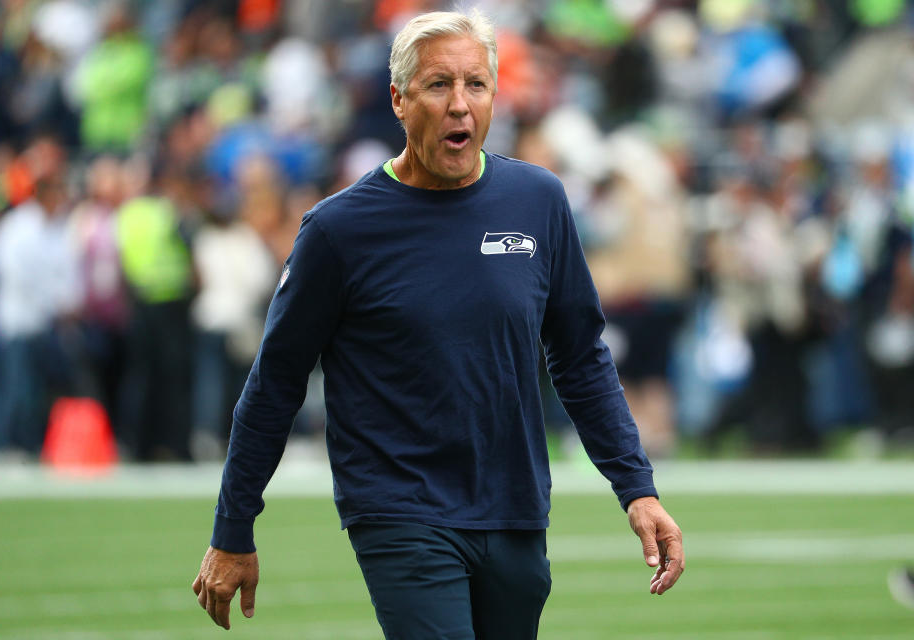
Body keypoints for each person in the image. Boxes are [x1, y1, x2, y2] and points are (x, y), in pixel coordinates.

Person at [192, 10, 684, 638]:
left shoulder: (538, 201)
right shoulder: (339, 231)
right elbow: (275, 385)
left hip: (514, 509)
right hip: (399, 510)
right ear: (398, 100)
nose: (459, 105)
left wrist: (636, 488)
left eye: (475, 85)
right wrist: (232, 530)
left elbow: (580, 357)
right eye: (438, 85)